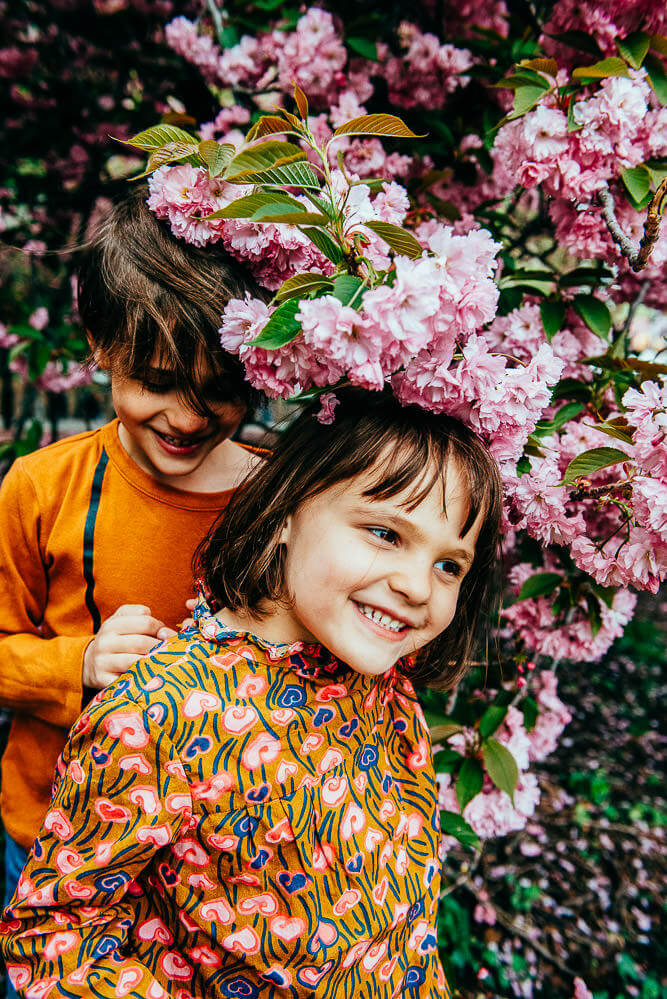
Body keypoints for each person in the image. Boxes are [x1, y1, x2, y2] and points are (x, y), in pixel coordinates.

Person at [0, 388, 503, 998]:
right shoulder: (159, 714)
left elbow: (404, 924)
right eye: (385, 534)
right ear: (287, 509)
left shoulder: (386, 694)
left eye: (450, 564)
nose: (419, 587)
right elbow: (56, 933)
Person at [0, 187, 264, 934]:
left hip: (209, 878)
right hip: (47, 839)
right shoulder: (41, 488)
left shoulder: (283, 504)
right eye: (154, 382)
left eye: (220, 390)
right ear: (98, 344)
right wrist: (78, 665)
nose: (185, 418)